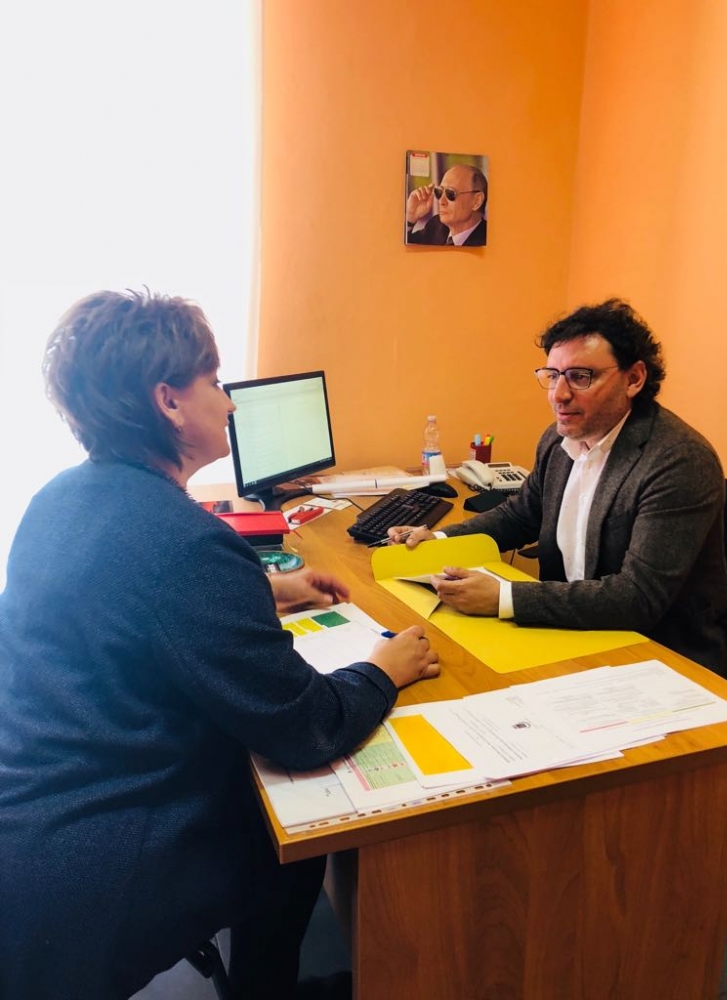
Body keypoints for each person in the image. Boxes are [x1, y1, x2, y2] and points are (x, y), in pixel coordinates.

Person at [0, 289, 439, 1000]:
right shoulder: (186, 544)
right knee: (293, 821)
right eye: (214, 381)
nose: (229, 402)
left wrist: (266, 590)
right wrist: (383, 670)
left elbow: (126, 604)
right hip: (102, 852)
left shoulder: (60, 498)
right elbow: (306, 724)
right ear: (169, 401)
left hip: (34, 813)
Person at [387, 298, 727, 676]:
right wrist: (439, 539)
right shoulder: (558, 441)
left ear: (634, 378)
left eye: (580, 376)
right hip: (568, 632)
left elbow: (638, 598)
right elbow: (521, 515)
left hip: (659, 654)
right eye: (553, 375)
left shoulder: (677, 460)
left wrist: (504, 597)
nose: (559, 394)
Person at [405, 162, 487, 246]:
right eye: (439, 192)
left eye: (451, 193)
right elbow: (402, 248)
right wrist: (410, 218)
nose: (441, 201)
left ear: (476, 201)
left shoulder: (489, 242)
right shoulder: (436, 226)